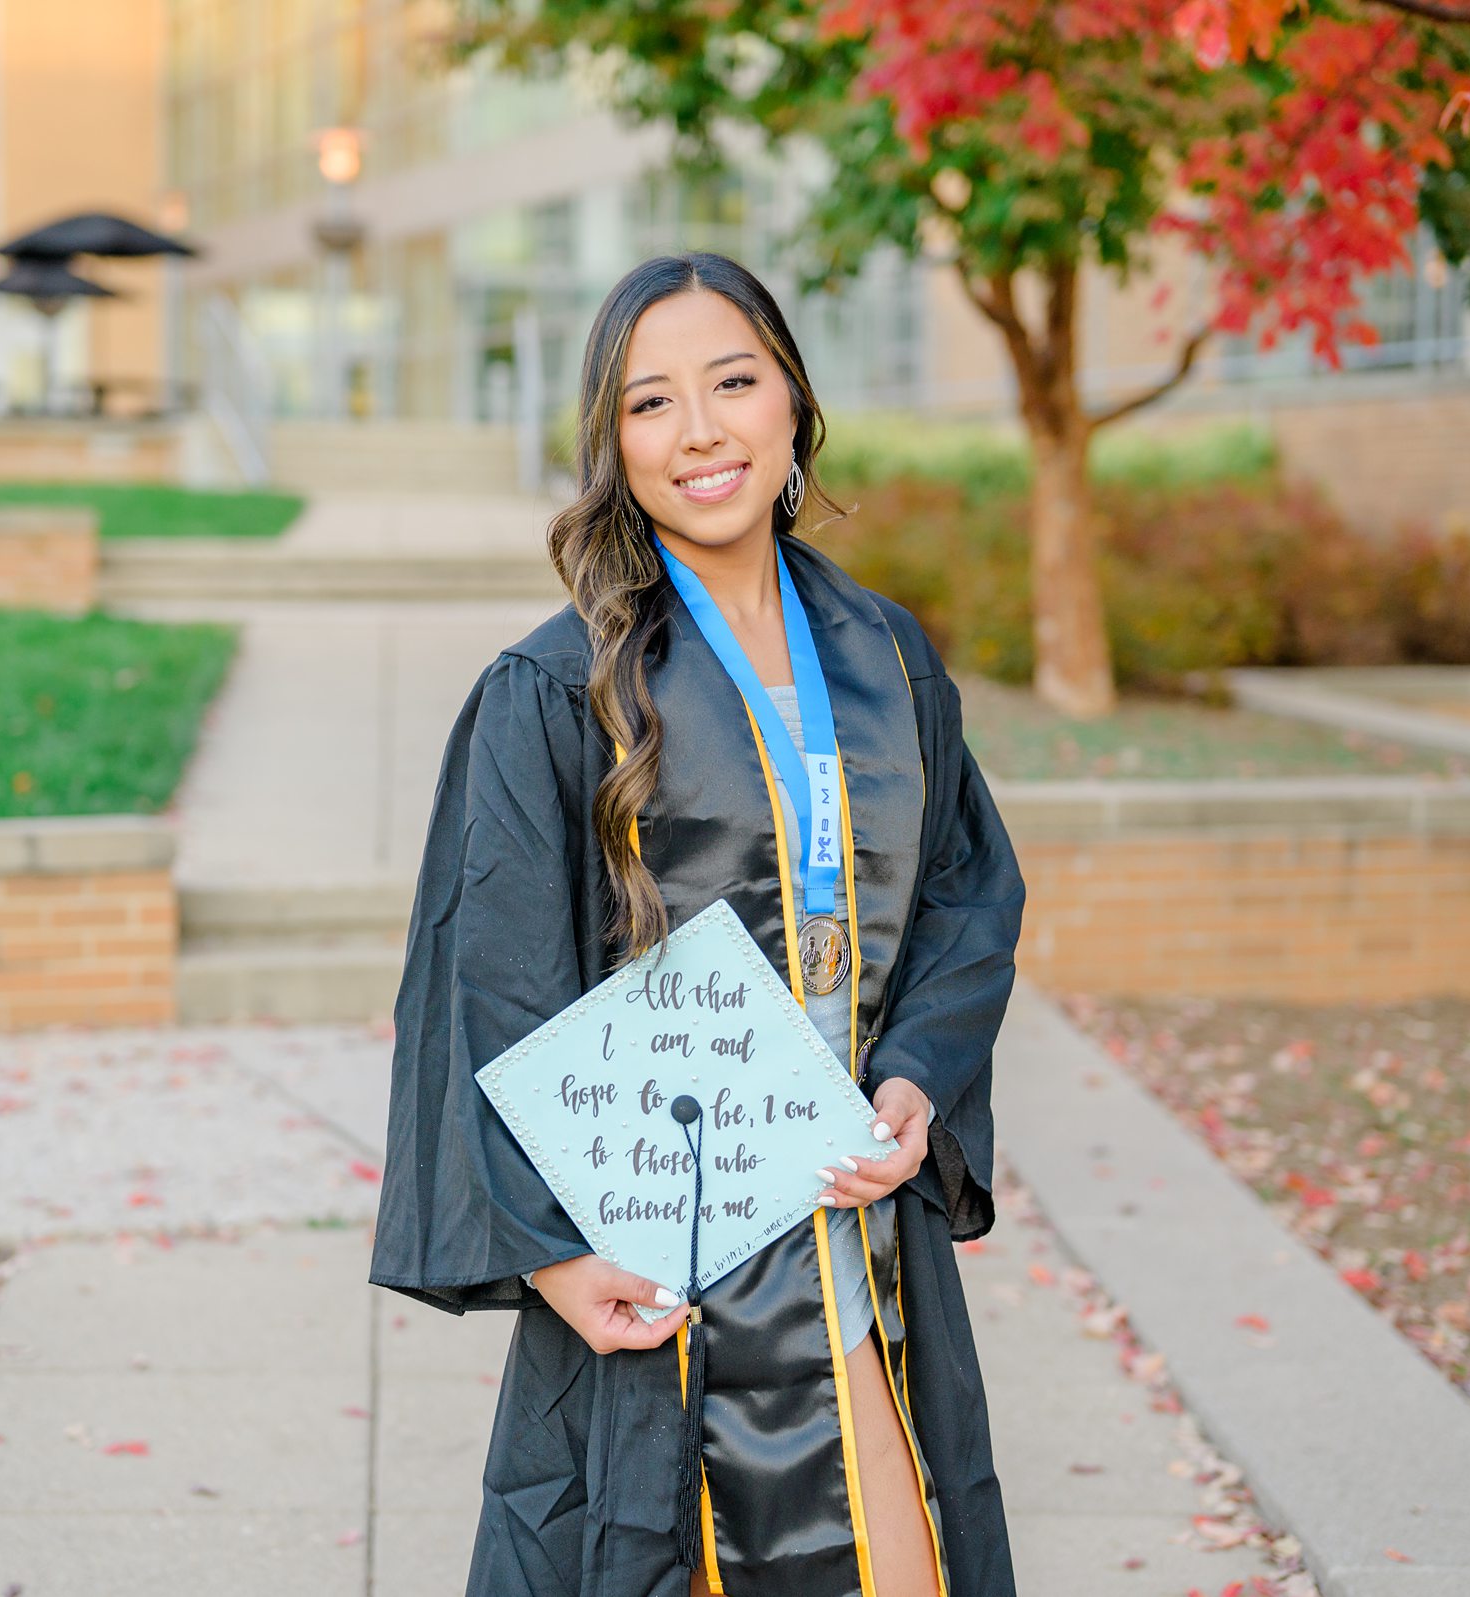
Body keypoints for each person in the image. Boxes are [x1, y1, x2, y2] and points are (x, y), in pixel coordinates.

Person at [370, 251, 1026, 1597]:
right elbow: (485, 982)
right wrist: (550, 1249)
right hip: (664, 1264)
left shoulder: (888, 657)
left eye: (733, 381)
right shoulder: (558, 688)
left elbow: (968, 887)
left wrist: (915, 1081)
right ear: (614, 446)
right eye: (651, 403)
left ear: (792, 399)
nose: (703, 430)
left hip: (851, 1234)